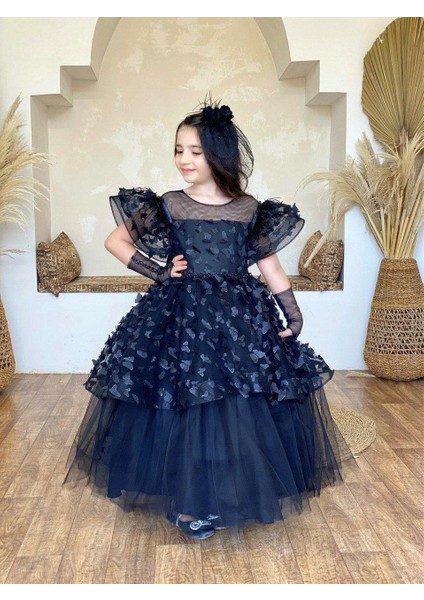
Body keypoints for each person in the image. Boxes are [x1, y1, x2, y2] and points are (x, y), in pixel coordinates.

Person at [62, 94, 357, 540]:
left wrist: (293, 316)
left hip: (239, 321)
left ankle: (227, 491)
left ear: (218, 155)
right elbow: (115, 241)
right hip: (181, 318)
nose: (184, 159)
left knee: (238, 405)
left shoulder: (249, 209)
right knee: (182, 400)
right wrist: (159, 271)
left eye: (195, 151)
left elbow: (271, 268)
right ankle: (190, 502)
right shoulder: (168, 204)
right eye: (179, 150)